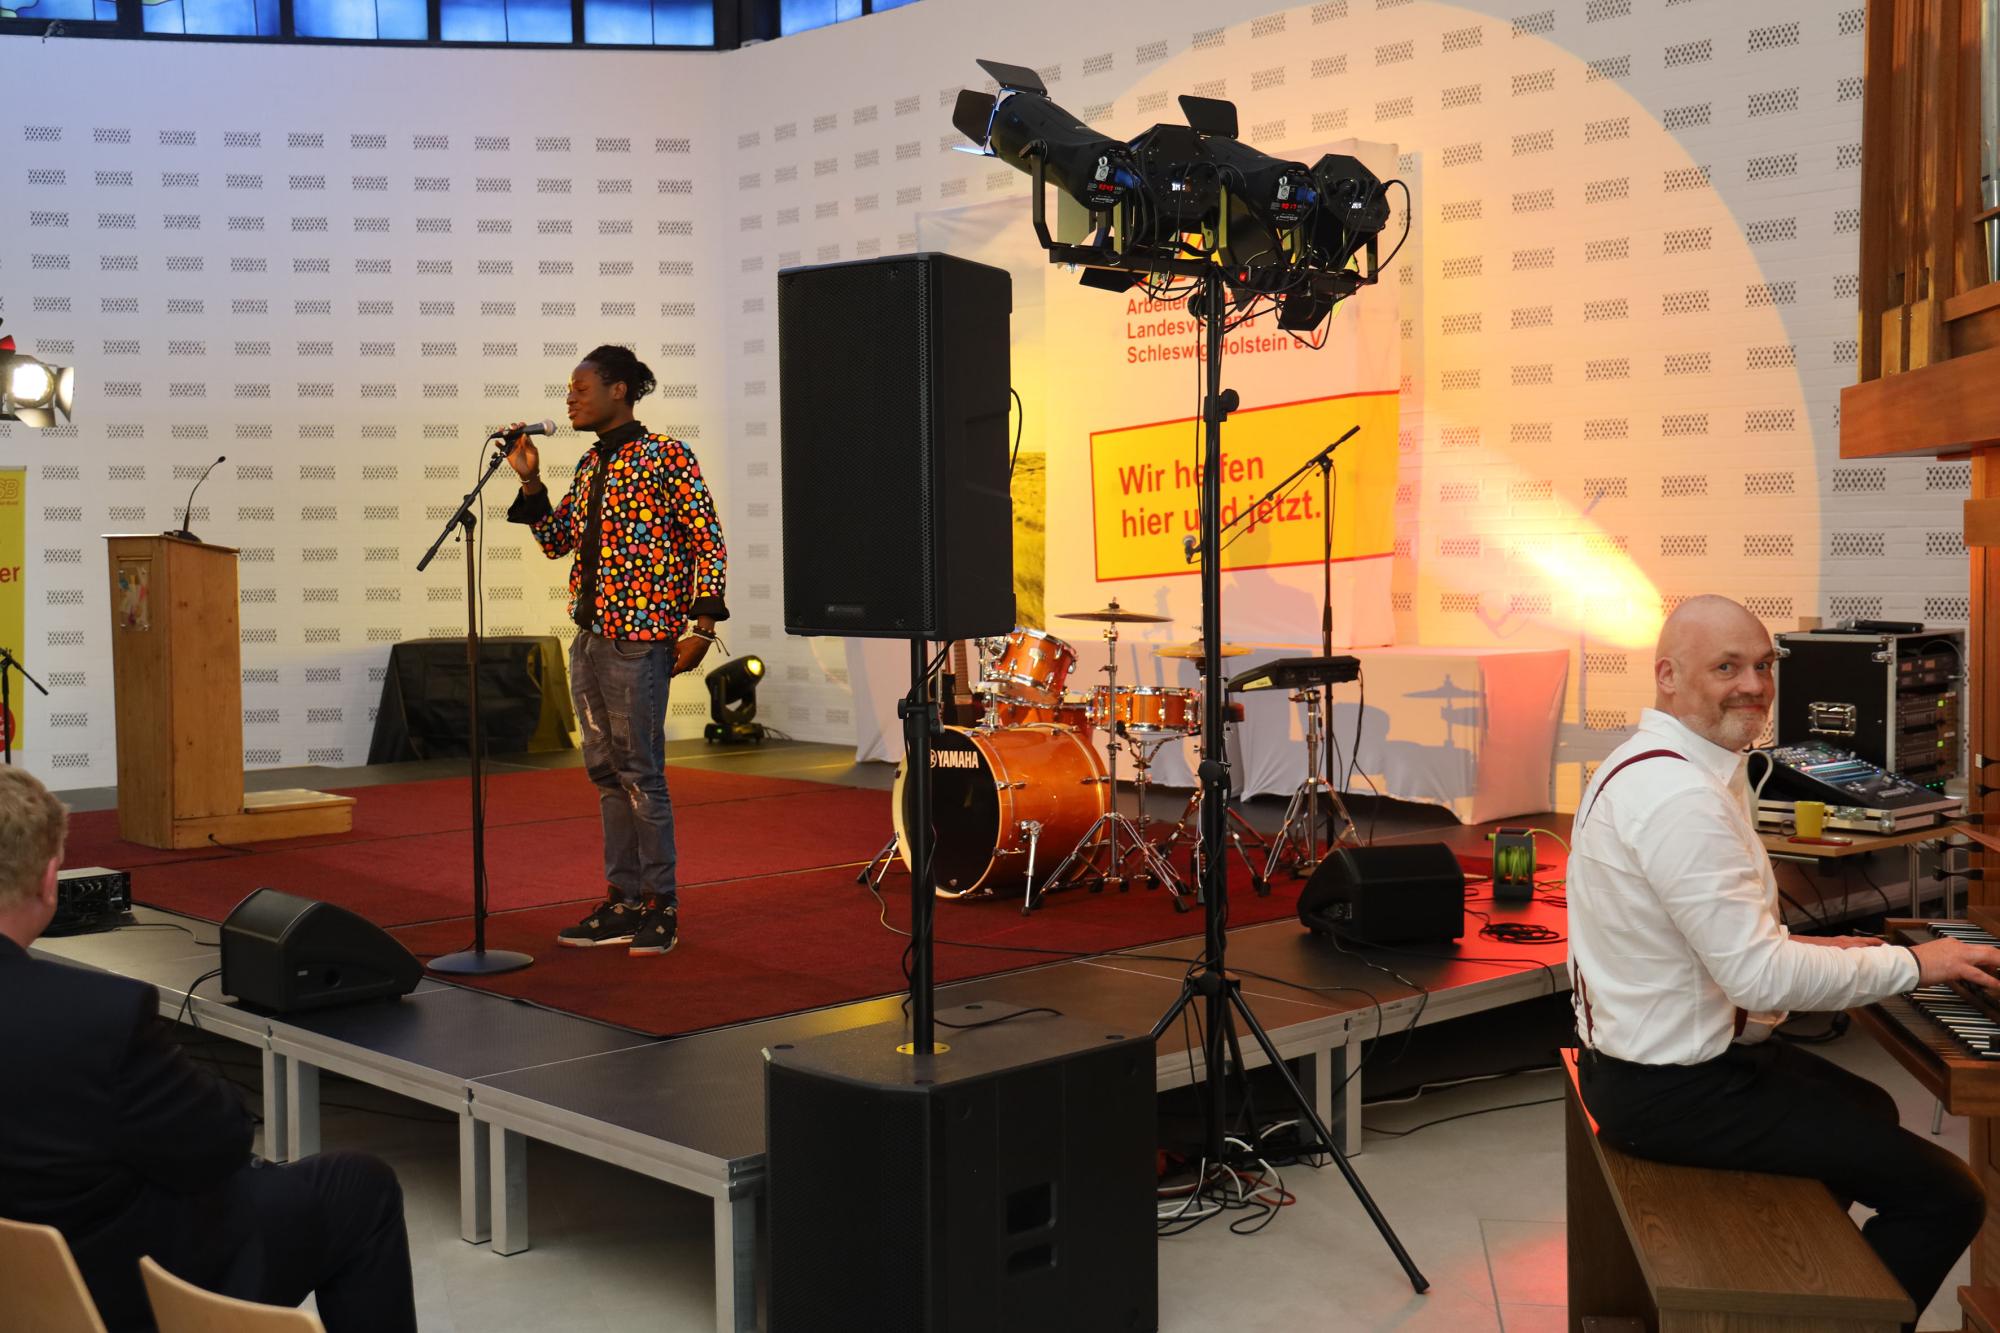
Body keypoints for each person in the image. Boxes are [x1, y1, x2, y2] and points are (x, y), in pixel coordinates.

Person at [1568, 594, 1998, 1327]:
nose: (1755, 686)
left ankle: (1810, 1292)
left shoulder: (1665, 763)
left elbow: (1714, 943)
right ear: (1668, 675)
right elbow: (1757, 976)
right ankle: (1814, 1304)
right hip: (1670, 1092)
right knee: (1949, 1197)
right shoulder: (1679, 796)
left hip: (1653, 1068)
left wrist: (1821, 947)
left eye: (1764, 665)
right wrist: (1919, 965)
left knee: (1869, 1107)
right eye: (1727, 667)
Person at [0, 767, 415, 1333]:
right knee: (359, 1185)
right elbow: (217, 1143)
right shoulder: (99, 1015)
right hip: (119, 1291)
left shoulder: (90, 1015)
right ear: (51, 879)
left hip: (28, 1272)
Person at [503, 343, 728, 957]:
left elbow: (707, 540)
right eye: (569, 390)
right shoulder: (590, 464)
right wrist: (529, 479)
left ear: (619, 389)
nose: (569, 399)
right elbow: (556, 541)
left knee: (641, 775)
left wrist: (703, 626)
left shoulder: (666, 456)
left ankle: (661, 906)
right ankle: (623, 901)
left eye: (581, 389)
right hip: (591, 639)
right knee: (606, 775)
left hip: (641, 639)